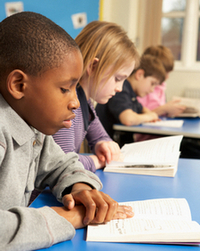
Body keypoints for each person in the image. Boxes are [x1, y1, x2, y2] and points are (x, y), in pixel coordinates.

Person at [0, 12, 134, 251]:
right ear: (19, 85)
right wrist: (67, 217)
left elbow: (62, 164)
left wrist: (80, 188)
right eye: (64, 89)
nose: (75, 102)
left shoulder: (33, 125)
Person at [53, 20, 139, 172]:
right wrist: (98, 161)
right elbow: (63, 164)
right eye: (118, 79)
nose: (120, 88)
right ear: (93, 66)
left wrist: (104, 144)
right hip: (38, 195)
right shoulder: (67, 104)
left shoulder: (85, 101)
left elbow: (100, 136)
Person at [96, 54, 166, 147]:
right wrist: (149, 117)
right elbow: (128, 119)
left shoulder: (131, 93)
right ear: (139, 75)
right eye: (152, 83)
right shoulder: (122, 89)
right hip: (106, 146)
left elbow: (142, 108)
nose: (152, 90)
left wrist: (150, 114)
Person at [137, 45, 186, 117]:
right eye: (165, 73)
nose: (167, 77)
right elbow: (138, 115)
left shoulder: (161, 87)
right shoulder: (142, 88)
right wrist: (164, 109)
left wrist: (170, 111)